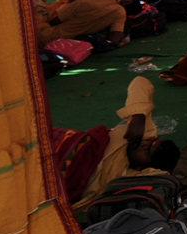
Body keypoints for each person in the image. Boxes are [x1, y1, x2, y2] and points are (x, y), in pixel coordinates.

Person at [71, 76, 180, 212]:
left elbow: (164, 177)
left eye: (147, 152)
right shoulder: (141, 134)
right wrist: (138, 117)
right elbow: (140, 82)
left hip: (67, 174)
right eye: (151, 141)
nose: (144, 144)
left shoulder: (131, 175)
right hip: (71, 144)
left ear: (142, 167)